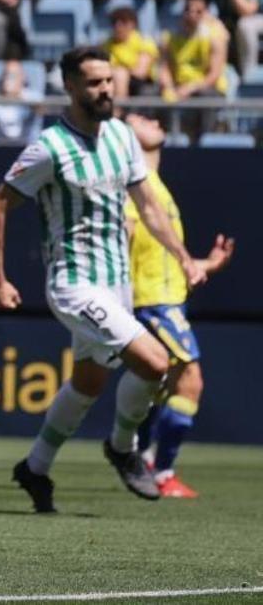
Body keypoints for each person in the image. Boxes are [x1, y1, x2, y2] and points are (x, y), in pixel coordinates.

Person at [0, 46, 207, 514]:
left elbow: (147, 206)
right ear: (69, 86)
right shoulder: (50, 147)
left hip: (117, 284)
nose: (105, 89)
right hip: (74, 282)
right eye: (94, 82)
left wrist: (183, 256)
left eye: (109, 80)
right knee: (154, 361)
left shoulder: (122, 136)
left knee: (87, 383)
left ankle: (36, 467)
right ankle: (123, 447)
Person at [123, 113, 235, 498]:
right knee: (190, 381)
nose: (151, 118)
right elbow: (124, 237)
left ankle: (138, 456)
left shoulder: (157, 188)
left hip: (167, 299)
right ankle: (159, 468)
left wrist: (205, 264)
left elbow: (164, 256)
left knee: (158, 389)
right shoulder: (135, 188)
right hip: (150, 302)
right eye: (137, 117)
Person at [159, 0, 228, 135]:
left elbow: (213, 75)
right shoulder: (170, 38)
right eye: (188, 10)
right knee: (150, 95)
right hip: (179, 86)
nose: (192, 14)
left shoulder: (214, 37)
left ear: (205, 13)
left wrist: (189, 88)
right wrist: (168, 87)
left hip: (207, 88)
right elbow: (164, 68)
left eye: (198, 11)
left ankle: (204, 142)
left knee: (206, 97)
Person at [102, 0, 159, 99]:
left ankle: (118, 111)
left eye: (123, 22)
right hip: (111, 81)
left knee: (120, 75)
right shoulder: (105, 45)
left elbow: (140, 72)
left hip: (139, 84)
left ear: (133, 24)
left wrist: (118, 71)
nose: (118, 26)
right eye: (114, 22)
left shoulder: (144, 42)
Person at [0, 59, 43, 143]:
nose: (8, 79)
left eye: (12, 76)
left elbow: (42, 109)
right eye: (6, 75)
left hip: (28, 147)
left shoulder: (33, 97)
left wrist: (17, 96)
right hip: (0, 148)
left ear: (22, 77)